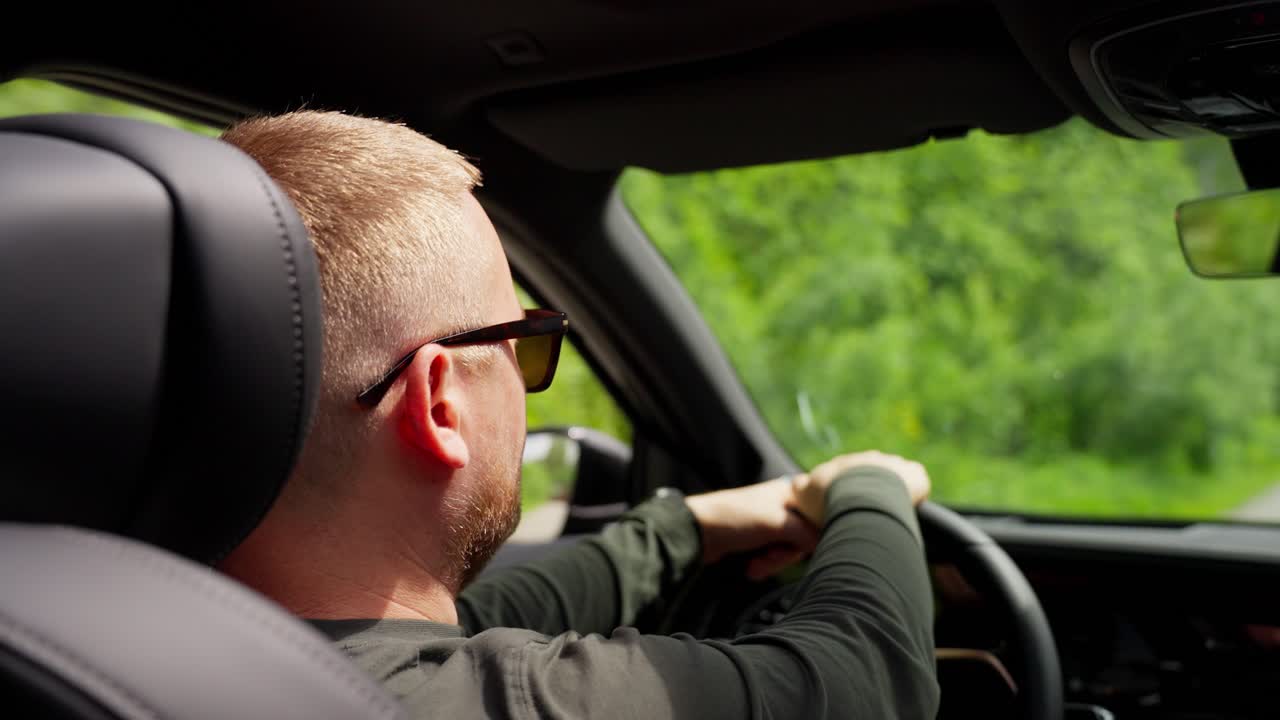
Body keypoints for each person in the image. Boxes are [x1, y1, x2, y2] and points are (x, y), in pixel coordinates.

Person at [218, 110, 940, 719]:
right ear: (440, 403)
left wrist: (686, 528)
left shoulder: (173, 645)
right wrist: (872, 488)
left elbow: (471, 625)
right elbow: (867, 680)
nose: (530, 380)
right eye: (522, 343)